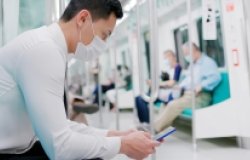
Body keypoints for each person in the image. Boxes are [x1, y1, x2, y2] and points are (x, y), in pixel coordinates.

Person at [0, 0, 160, 160]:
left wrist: (114, 135)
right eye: (104, 35)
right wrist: (123, 144)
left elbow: (59, 126)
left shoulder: (48, 47)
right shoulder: (43, 51)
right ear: (83, 19)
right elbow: (60, 146)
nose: (103, 44)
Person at [154, 42, 221, 133]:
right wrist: (179, 87)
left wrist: (202, 85)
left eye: (186, 53)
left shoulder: (207, 62)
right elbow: (188, 80)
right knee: (165, 102)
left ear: (194, 51)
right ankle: (159, 128)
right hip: (187, 94)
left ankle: (155, 129)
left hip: (200, 96)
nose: (186, 56)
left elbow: (216, 77)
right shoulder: (192, 65)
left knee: (172, 105)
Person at [135, 50, 182, 129]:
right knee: (137, 98)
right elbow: (162, 80)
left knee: (141, 99)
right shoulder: (166, 69)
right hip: (161, 91)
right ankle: (143, 122)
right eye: (164, 58)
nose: (165, 60)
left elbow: (172, 83)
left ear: (173, 57)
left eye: (167, 57)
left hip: (168, 93)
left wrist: (157, 84)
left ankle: (147, 123)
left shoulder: (177, 67)